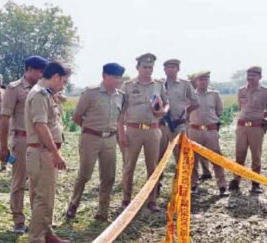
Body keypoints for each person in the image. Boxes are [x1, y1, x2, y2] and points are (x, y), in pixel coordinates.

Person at [66, 63, 125, 222]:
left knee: (109, 176)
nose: (118, 80)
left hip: (110, 140)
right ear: (104, 76)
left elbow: (119, 119)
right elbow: (77, 117)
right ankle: (73, 204)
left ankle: (103, 211)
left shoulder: (121, 96)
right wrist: (91, 129)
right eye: (114, 77)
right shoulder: (90, 93)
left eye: (119, 77)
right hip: (90, 139)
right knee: (85, 174)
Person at [25, 61, 71, 243]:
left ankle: (47, 233)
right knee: (43, 198)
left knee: (45, 196)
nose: (63, 85)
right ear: (56, 77)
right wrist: (55, 152)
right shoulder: (39, 95)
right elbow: (41, 126)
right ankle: (36, 242)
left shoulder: (47, 94)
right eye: (64, 81)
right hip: (42, 152)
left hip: (44, 152)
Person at [0, 55, 48, 233]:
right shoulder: (14, 89)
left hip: (39, 141)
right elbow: (5, 118)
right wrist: (3, 146)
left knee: (37, 181)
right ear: (30, 70)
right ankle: (18, 220)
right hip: (21, 140)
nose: (43, 75)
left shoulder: (43, 89)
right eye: (40, 71)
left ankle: (37, 219)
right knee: (19, 181)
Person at [120, 53, 168, 212]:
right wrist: (121, 133)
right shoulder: (128, 85)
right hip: (133, 130)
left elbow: (166, 103)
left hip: (153, 130)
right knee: (129, 166)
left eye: (151, 67)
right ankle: (126, 199)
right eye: (145, 67)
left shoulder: (159, 85)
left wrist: (163, 111)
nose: (148, 70)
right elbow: (121, 111)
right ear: (138, 68)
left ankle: (152, 200)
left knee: (152, 167)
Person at [229, 66, 267, 194]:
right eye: (248, 75)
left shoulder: (266, 91)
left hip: (256, 127)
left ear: (260, 77)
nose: (250, 78)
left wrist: (258, 117)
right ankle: (236, 180)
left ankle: (255, 183)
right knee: (239, 154)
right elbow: (241, 107)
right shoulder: (241, 90)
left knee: (256, 156)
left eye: (253, 75)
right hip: (242, 127)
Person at [187, 71, 228, 196]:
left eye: (206, 79)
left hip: (210, 131)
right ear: (196, 81)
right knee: (193, 159)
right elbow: (186, 112)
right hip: (194, 131)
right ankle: (193, 185)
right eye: (201, 79)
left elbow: (219, 111)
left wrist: (211, 123)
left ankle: (222, 186)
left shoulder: (215, 94)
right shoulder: (190, 95)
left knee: (216, 158)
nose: (203, 82)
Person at [158, 59, 199, 159]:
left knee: (181, 155)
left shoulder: (185, 84)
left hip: (179, 125)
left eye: (173, 67)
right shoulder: (158, 84)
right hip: (162, 125)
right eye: (168, 67)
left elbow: (195, 103)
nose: (170, 69)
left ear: (178, 69)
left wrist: (185, 112)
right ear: (164, 70)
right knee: (158, 156)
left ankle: (179, 170)